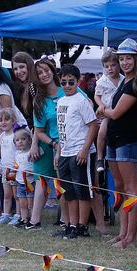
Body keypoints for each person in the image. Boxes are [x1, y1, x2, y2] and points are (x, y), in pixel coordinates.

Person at [101, 39, 137, 248]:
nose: (125, 62)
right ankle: (122, 232)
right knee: (118, 186)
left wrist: (102, 109)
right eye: (121, 58)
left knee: (130, 188)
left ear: (136, 59)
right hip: (114, 138)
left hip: (127, 139)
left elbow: (116, 112)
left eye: (128, 58)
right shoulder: (122, 81)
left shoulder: (135, 83)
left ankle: (130, 236)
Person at [55, 64, 100, 239]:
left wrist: (85, 149)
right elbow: (61, 129)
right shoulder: (60, 101)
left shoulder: (82, 101)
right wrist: (59, 151)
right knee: (69, 191)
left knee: (83, 190)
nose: (67, 85)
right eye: (64, 82)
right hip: (65, 151)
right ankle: (72, 224)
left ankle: (83, 225)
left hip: (80, 151)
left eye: (71, 82)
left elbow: (93, 125)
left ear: (77, 81)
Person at [30, 58, 63, 229]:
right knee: (41, 178)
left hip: (71, 143)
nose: (44, 75)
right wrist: (52, 144)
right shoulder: (39, 100)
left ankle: (66, 220)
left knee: (64, 180)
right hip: (50, 142)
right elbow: (39, 129)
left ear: (52, 70)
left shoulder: (68, 89)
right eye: (39, 73)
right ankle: (34, 220)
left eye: (46, 70)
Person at [94, 49, 123, 174]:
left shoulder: (123, 79)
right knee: (102, 131)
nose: (110, 68)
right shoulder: (102, 81)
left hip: (121, 110)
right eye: (107, 66)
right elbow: (97, 96)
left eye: (113, 65)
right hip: (107, 110)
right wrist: (101, 106)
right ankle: (100, 157)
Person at [0, 108, 19, 224]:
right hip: (5, 169)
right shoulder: (2, 135)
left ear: (13, 120)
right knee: (6, 194)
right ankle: (6, 214)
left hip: (14, 169)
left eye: (6, 119)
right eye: (0, 120)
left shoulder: (16, 134)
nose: (3, 122)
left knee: (16, 194)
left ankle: (18, 215)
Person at [13, 128, 36, 227]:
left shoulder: (32, 152)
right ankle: (24, 219)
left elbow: (37, 167)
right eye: (17, 140)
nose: (20, 142)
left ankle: (31, 219)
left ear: (29, 140)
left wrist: (32, 172)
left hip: (30, 182)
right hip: (19, 182)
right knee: (22, 203)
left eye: (23, 139)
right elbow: (16, 166)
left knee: (30, 203)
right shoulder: (17, 154)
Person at [11, 51, 37, 127]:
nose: (18, 71)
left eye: (22, 67)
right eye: (15, 69)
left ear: (29, 66)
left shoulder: (36, 86)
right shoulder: (16, 88)